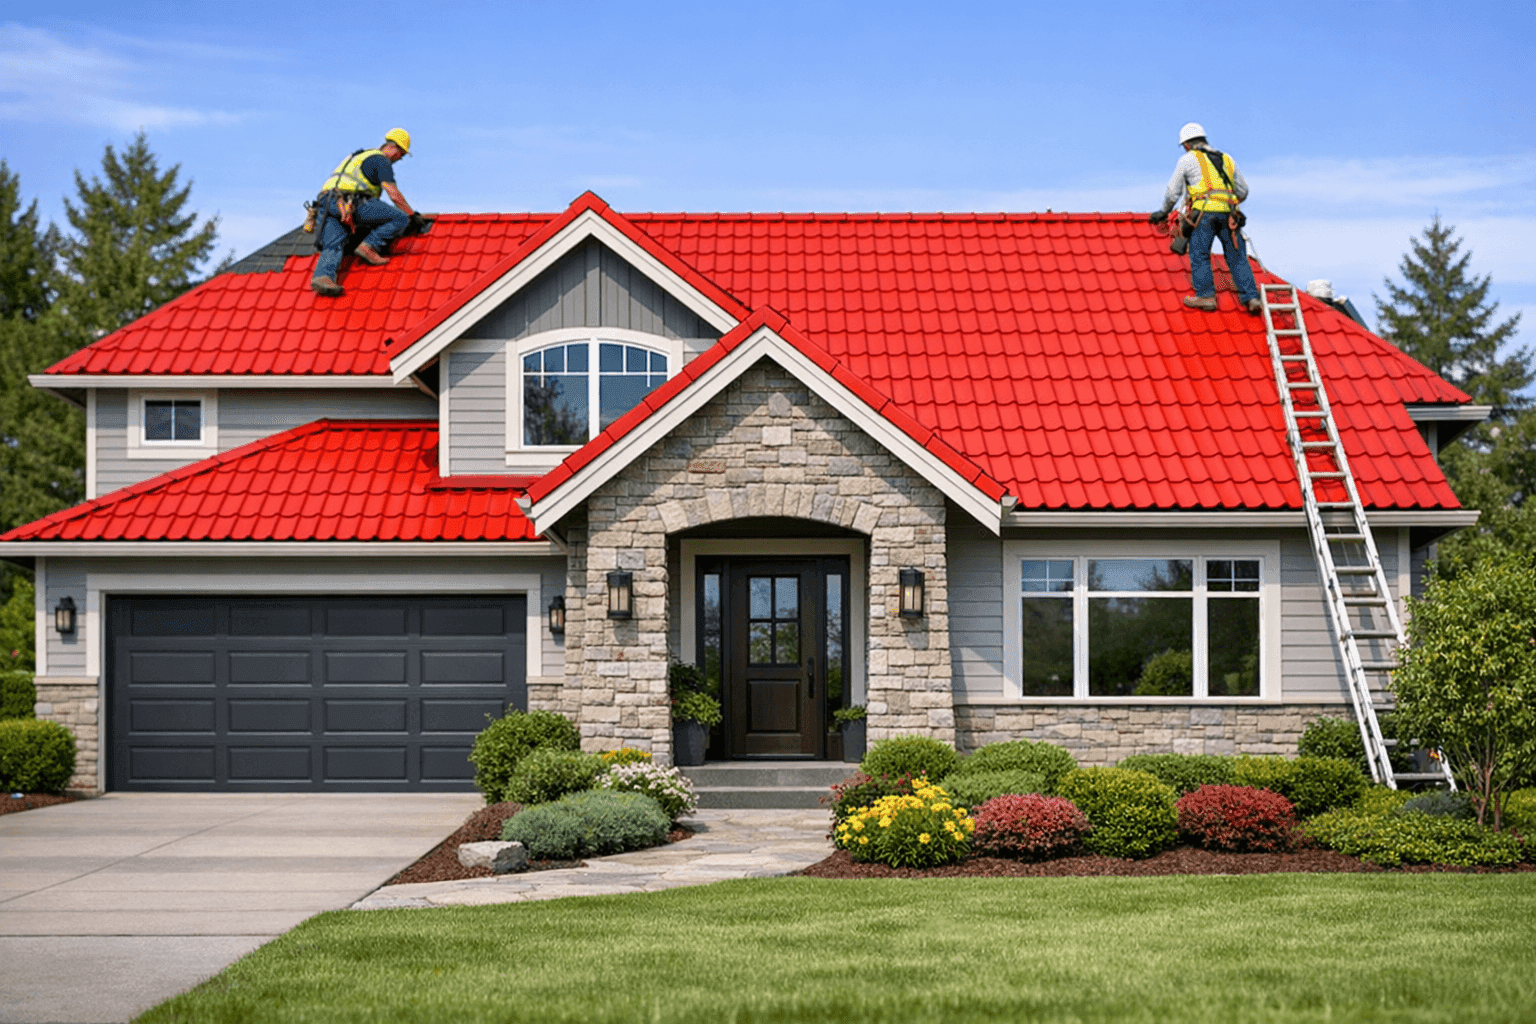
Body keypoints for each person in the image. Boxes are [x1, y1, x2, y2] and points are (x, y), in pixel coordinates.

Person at [1148, 123, 1261, 315]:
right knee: (1237, 256)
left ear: (1186, 145)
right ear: (1205, 139)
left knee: (1199, 253)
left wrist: (1164, 211)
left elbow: (1172, 192)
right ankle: (1251, 298)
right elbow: (1243, 190)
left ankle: (1206, 295)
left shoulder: (1187, 160)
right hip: (1229, 215)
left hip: (1203, 215)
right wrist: (1226, 201)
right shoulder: (1227, 159)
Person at [310, 128, 425, 297]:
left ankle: (322, 277)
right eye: (401, 154)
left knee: (333, 244)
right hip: (352, 202)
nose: (399, 159)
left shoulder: (357, 157)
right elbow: (392, 192)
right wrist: (411, 215)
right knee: (400, 218)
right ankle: (369, 246)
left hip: (327, 204)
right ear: (393, 148)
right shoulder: (381, 160)